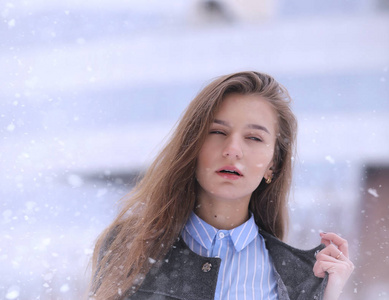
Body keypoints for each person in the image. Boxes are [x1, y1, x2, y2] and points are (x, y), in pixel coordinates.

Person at [89, 71, 354, 300]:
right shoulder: (132, 248)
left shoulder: (300, 277)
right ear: (193, 146)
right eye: (217, 132)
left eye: (253, 137)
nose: (232, 150)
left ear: (273, 164)